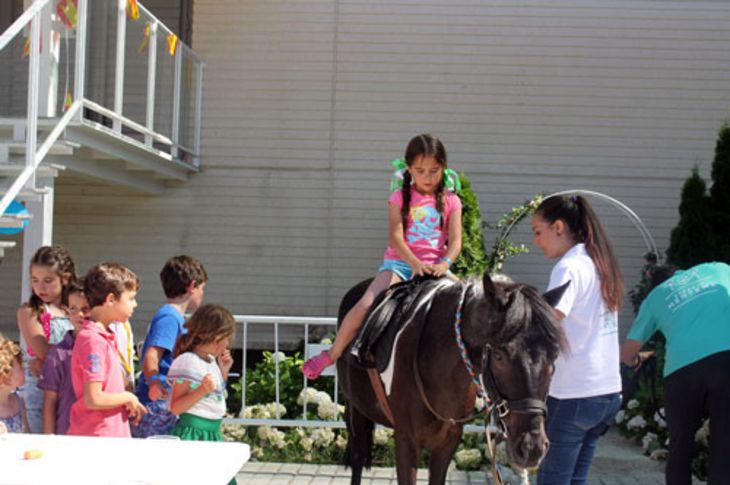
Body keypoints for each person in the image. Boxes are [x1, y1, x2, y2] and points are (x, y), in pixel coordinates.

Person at [302, 134, 463, 379]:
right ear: (409, 169)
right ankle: (333, 353)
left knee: (468, 303)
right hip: (400, 265)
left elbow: (456, 241)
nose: (427, 177)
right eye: (420, 171)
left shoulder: (452, 201)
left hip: (436, 267)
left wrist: (444, 264)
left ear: (443, 168)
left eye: (434, 170)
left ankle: (475, 373)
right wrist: (414, 263)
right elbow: (396, 238)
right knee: (366, 303)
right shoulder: (398, 197)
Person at [531, 195, 624, 485]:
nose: (536, 241)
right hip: (607, 392)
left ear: (558, 227)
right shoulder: (599, 261)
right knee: (576, 480)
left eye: (537, 232)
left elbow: (546, 324)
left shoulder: (569, 267)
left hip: (574, 394)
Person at [621, 262, 730, 485]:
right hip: (726, 361)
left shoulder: (654, 298)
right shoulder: (718, 268)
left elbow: (627, 354)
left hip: (681, 372)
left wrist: (638, 360)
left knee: (680, 446)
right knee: (724, 444)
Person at [67, 263, 146, 437]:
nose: (136, 304)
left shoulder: (104, 336)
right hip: (98, 436)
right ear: (110, 299)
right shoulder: (92, 340)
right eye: (131, 298)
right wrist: (128, 397)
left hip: (111, 433)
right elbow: (94, 398)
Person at [133, 255, 208, 437]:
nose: (202, 294)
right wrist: (154, 383)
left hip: (164, 400)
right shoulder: (169, 318)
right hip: (156, 404)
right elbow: (152, 354)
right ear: (192, 286)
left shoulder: (173, 317)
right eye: (202, 288)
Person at [16, 245, 76, 433]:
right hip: (39, 394)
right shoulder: (30, 311)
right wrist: (77, 357)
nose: (40, 287)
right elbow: (44, 351)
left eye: (48, 280)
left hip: (69, 390)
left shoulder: (75, 310)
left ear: (65, 279)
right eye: (35, 280)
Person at [167, 305, 235, 473]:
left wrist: (223, 372)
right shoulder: (188, 360)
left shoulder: (210, 361)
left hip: (210, 433)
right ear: (216, 336)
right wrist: (201, 391)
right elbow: (175, 407)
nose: (228, 343)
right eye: (227, 338)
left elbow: (213, 398)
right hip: (193, 435)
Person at [37, 280, 89, 434]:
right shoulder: (58, 354)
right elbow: (50, 402)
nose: (80, 314)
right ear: (66, 311)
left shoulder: (106, 345)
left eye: (86, 308)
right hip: (67, 434)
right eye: (73, 309)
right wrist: (49, 439)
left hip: (98, 434)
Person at [0, 333, 30, 433]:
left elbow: (27, 434)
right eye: (20, 367)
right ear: (4, 375)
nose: (25, 368)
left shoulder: (19, 402)